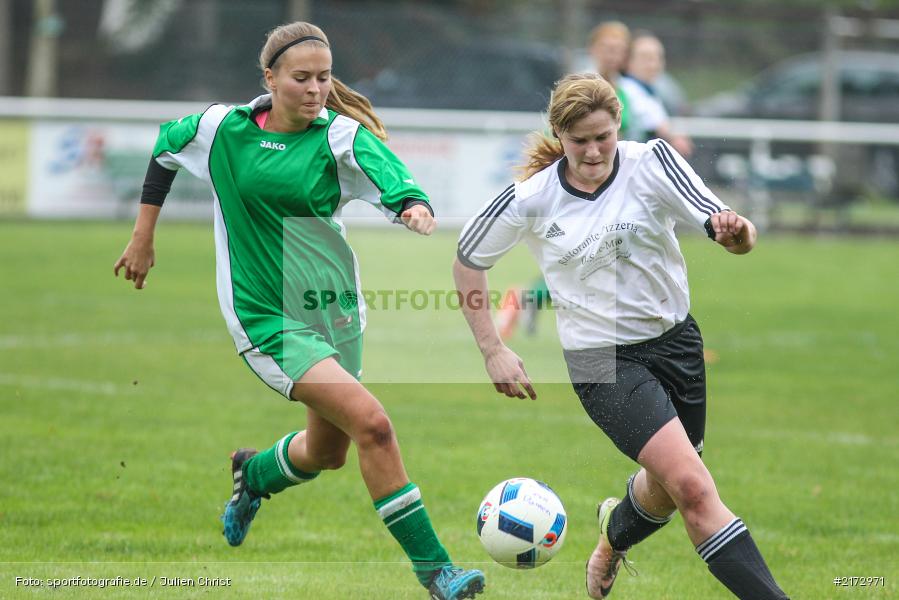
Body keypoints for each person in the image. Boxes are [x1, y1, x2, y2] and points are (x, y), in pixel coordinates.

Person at [113, 21, 484, 600]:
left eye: (324, 78)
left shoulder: (339, 136)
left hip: (334, 310)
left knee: (327, 453)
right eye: (302, 78)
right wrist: (143, 236)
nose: (316, 89)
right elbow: (163, 148)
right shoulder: (221, 129)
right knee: (374, 426)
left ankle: (254, 472)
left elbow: (393, 177)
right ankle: (437, 572)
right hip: (265, 316)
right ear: (270, 78)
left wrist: (412, 206)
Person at [453, 73, 789, 600]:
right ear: (559, 136)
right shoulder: (531, 198)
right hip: (599, 363)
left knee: (670, 489)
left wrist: (738, 234)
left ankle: (612, 538)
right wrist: (492, 348)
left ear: (619, 127)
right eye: (579, 140)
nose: (592, 151)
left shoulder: (651, 162)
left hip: (677, 344)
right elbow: (467, 260)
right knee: (696, 489)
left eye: (603, 137)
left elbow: (730, 230)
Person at [619, 31, 693, 156]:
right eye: (646, 58)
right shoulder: (625, 88)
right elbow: (656, 123)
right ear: (628, 61)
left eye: (658, 58)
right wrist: (675, 138)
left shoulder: (651, 90)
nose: (654, 64)